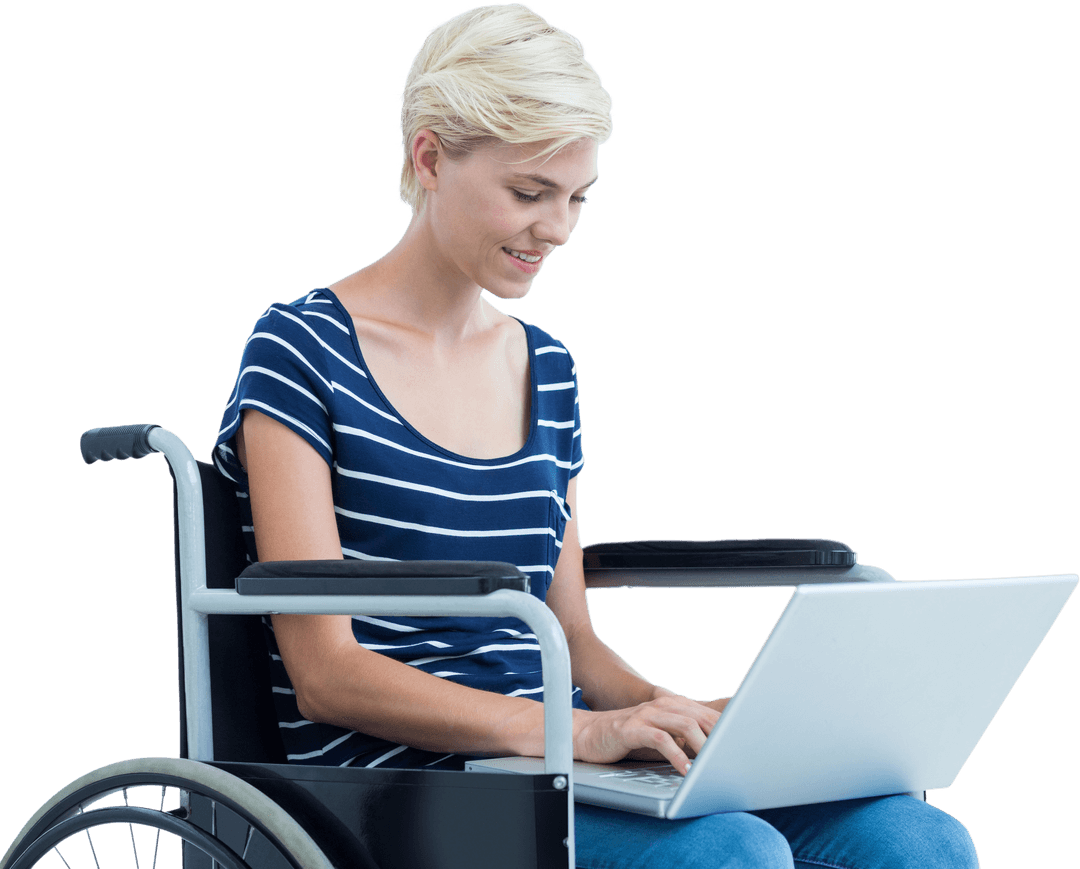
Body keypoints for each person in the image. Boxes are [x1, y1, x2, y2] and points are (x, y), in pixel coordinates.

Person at [213, 4, 980, 867]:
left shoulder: (548, 368)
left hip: (555, 754)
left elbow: (570, 637)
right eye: (529, 193)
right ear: (429, 157)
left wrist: (673, 715)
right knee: (734, 854)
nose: (559, 228)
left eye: (578, 196)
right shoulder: (299, 347)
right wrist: (580, 729)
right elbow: (324, 672)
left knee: (914, 837)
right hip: (406, 784)